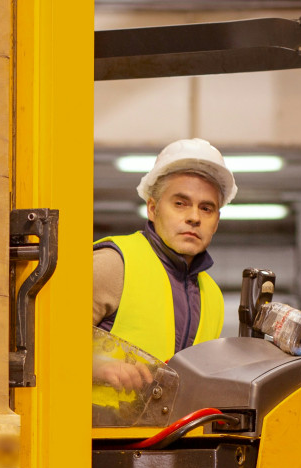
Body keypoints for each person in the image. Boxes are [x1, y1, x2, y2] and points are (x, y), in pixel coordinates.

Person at [93, 138, 236, 394]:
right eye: (180, 203)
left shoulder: (212, 296)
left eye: (206, 208)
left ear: (216, 222)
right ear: (152, 208)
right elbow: (43, 340)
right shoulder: (113, 264)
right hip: (90, 421)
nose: (194, 217)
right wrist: (97, 367)